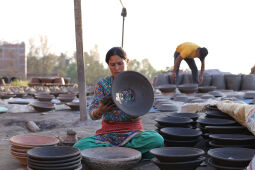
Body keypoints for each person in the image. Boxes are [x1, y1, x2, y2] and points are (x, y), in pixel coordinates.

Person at [73, 47, 164, 159]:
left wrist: (131, 111)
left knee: (157, 140)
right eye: (112, 64)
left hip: (133, 134)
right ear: (108, 65)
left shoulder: (138, 82)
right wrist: (100, 110)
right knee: (79, 146)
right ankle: (128, 154)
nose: (117, 68)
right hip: (107, 136)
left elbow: (139, 113)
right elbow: (92, 115)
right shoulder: (103, 84)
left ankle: (112, 154)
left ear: (127, 61)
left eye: (120, 63)